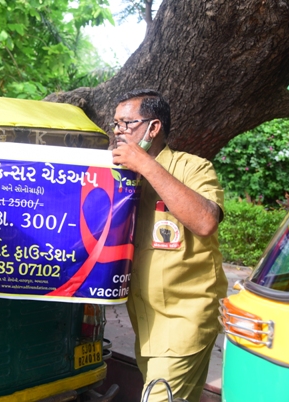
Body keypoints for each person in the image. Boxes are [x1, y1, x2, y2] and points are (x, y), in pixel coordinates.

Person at [111, 89, 228, 402]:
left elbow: (205, 221)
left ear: (153, 128)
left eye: (126, 124)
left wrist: (146, 165)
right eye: (116, 125)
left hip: (184, 320)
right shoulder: (121, 175)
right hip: (146, 323)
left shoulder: (193, 167)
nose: (118, 133)